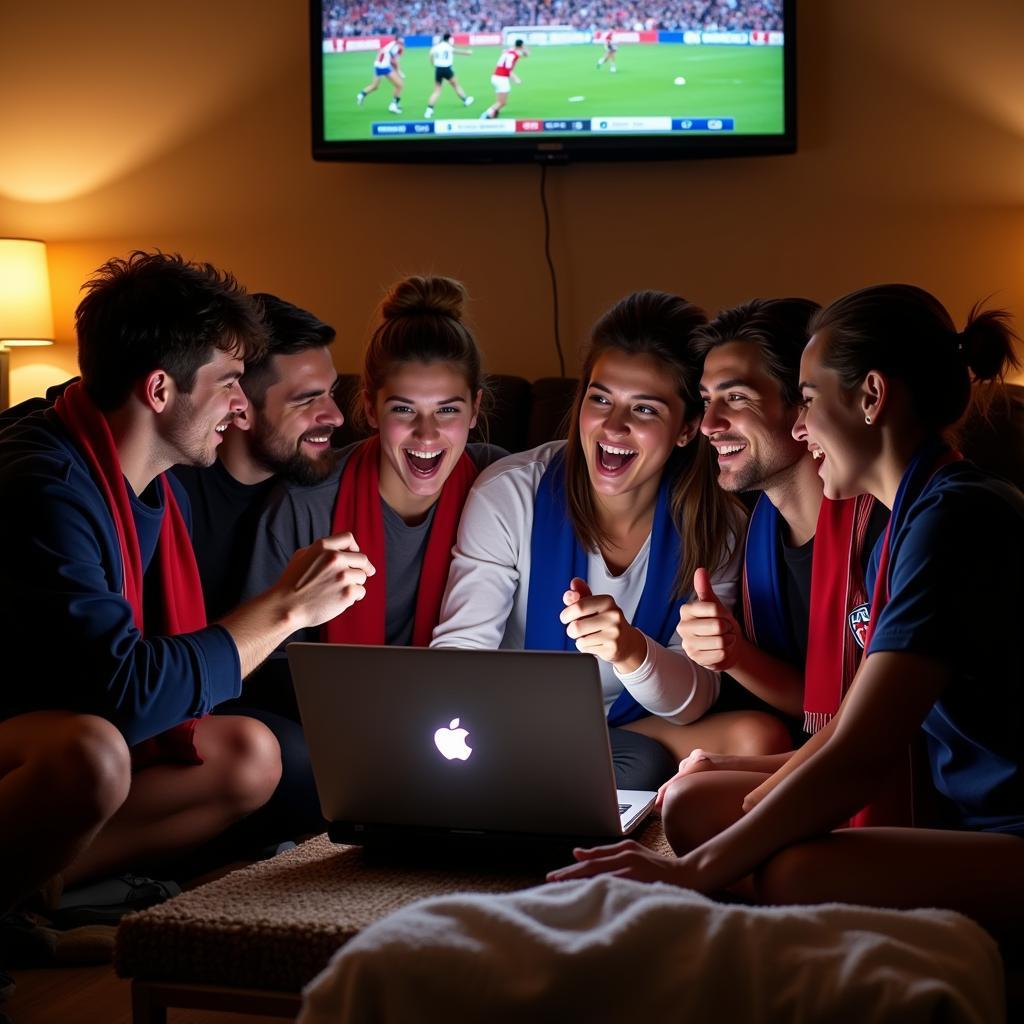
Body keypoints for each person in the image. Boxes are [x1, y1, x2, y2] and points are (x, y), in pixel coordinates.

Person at [549, 284, 1024, 937]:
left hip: (997, 826)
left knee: (795, 874)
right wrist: (760, 783)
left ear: (871, 397)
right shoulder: (917, 514)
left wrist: (690, 873)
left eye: (806, 400)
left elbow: (862, 751)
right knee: (703, 809)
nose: (799, 427)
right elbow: (855, 724)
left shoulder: (951, 519)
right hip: (968, 811)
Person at [0, 253, 373, 919]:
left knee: (248, 754)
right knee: (92, 755)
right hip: (40, 729)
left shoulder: (148, 481)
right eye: (230, 382)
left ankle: (34, 888)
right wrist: (286, 608)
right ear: (161, 391)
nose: (240, 404)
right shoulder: (47, 489)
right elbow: (125, 693)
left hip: (55, 720)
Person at [432, 291, 791, 792]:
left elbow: (696, 699)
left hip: (635, 727)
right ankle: (583, 775)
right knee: (633, 765)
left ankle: (591, 772)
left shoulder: (718, 523)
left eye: (645, 409)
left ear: (687, 427)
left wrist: (631, 652)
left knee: (761, 737)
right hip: (513, 727)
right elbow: (458, 653)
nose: (613, 426)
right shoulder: (510, 493)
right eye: (600, 399)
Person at [665, 298, 890, 851]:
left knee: (700, 807)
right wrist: (734, 653)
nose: (709, 425)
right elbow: (817, 697)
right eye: (706, 401)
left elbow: (878, 729)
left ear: (803, 406)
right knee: (688, 804)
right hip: (830, 749)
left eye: (735, 398)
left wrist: (743, 766)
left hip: (894, 767)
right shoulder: (760, 528)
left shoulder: (880, 524)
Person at [242, 275, 505, 718]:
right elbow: (263, 662)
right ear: (369, 407)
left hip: (467, 715)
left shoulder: (502, 489)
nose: (427, 433)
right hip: (332, 718)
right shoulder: (304, 503)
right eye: (404, 409)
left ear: (475, 409)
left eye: (447, 409)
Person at [172, 293, 345, 846]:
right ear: (240, 405)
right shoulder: (174, 495)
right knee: (303, 766)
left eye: (334, 394)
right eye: (308, 400)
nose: (336, 417)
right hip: (194, 702)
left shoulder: (321, 491)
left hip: (290, 703)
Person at [424, 32, 474, 118]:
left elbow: (431, 56)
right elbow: (457, 52)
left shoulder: (436, 47)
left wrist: (433, 64)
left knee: (436, 91)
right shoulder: (448, 47)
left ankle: (429, 110)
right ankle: (466, 100)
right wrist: (467, 53)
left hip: (438, 69)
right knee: (456, 85)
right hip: (447, 69)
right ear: (449, 39)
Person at [479, 39, 527, 120]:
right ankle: (485, 115)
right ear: (521, 46)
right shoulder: (514, 55)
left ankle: (493, 116)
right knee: (502, 102)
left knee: (499, 101)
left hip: (495, 77)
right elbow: (508, 69)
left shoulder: (508, 51)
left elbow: (521, 54)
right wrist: (516, 79)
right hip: (502, 79)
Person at [357, 35, 405, 114]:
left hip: (377, 65)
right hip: (384, 66)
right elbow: (394, 61)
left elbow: (388, 57)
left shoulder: (390, 44)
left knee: (375, 86)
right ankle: (393, 105)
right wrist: (398, 72)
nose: (401, 43)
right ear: (397, 41)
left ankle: (361, 94)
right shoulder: (396, 47)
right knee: (399, 85)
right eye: (401, 42)